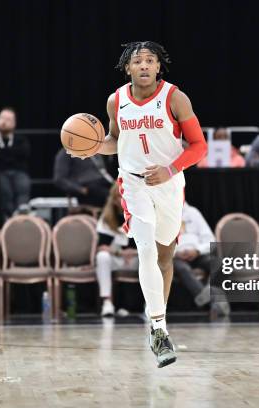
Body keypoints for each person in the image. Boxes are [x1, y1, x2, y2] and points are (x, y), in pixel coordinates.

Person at [67, 41, 207, 368]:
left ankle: (158, 318)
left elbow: (199, 146)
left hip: (169, 182)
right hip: (133, 182)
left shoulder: (175, 98)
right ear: (127, 68)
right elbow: (115, 141)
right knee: (145, 249)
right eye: (137, 61)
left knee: (165, 257)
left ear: (159, 67)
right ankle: (159, 329)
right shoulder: (116, 101)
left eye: (150, 60)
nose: (144, 65)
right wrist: (92, 148)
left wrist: (170, 169)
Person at [173, 202, 229, 316]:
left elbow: (210, 240)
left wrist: (197, 250)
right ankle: (213, 301)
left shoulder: (193, 212)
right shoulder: (160, 214)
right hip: (175, 256)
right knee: (183, 269)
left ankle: (212, 301)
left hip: (197, 253)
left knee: (219, 264)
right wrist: (175, 253)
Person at [0, 107, 31, 220]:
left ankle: (22, 213)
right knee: (3, 188)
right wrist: (10, 154)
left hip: (18, 172)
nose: (4, 122)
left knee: (23, 183)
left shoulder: (20, 139)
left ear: (14, 123)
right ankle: (8, 217)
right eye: (2, 118)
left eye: (8, 119)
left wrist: (0, 152)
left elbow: (24, 154)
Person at [95, 184, 138, 317]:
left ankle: (149, 305)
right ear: (113, 199)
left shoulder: (140, 215)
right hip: (117, 257)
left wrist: (134, 252)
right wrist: (120, 253)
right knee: (102, 257)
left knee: (151, 258)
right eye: (119, 197)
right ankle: (107, 302)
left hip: (137, 258)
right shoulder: (107, 218)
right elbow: (102, 246)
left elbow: (151, 243)